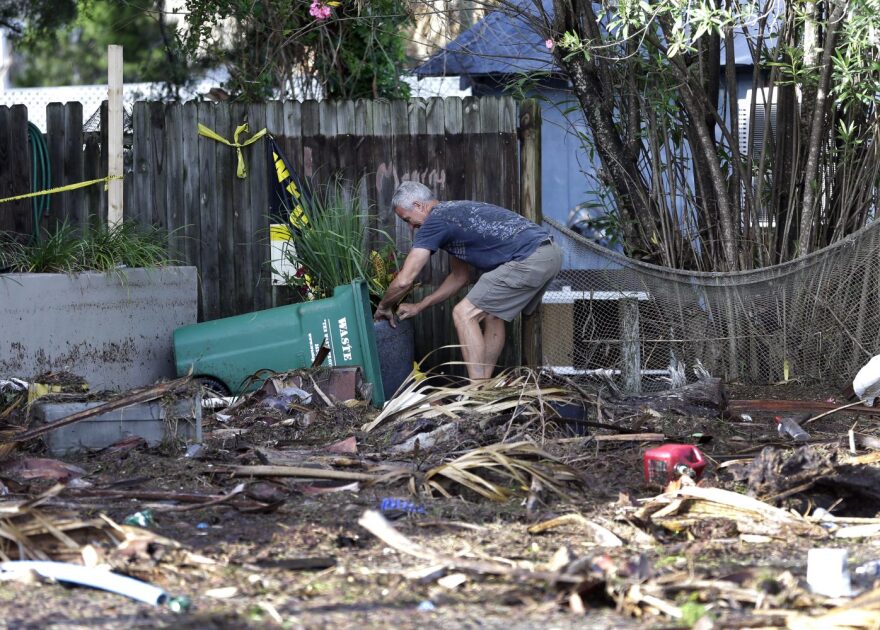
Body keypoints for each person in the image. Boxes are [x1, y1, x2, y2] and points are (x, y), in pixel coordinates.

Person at [373, 181, 562, 380]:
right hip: (549, 253)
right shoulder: (453, 216)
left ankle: (476, 393)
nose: (411, 227)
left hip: (530, 257)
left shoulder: (435, 220)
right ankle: (484, 386)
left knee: (464, 314)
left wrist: (384, 306)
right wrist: (419, 306)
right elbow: (459, 277)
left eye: (407, 219)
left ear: (419, 206)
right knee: (492, 315)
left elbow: (404, 280)